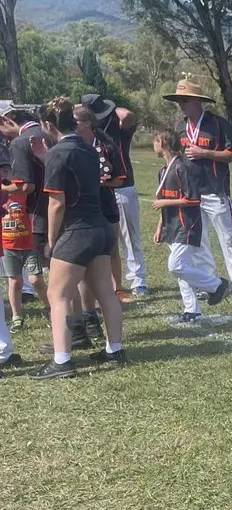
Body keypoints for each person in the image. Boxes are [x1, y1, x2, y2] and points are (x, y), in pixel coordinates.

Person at [29, 98, 126, 379]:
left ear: (48, 125)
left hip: (76, 230)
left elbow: (57, 202)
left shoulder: (58, 153)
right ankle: (115, 349)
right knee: (105, 292)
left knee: (57, 295)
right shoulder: (87, 148)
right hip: (100, 228)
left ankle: (62, 360)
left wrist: (50, 240)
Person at [164, 78, 232, 298]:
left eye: (184, 100)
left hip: (216, 190)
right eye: (178, 101)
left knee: (229, 238)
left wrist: (206, 154)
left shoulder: (218, 125)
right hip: (191, 194)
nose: (181, 104)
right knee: (199, 241)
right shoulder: (180, 128)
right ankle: (209, 282)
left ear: (197, 101)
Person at [151, 128, 232, 324]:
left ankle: (216, 285)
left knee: (175, 266)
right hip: (171, 225)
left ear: (164, 143)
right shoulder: (163, 170)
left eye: (155, 141)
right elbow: (163, 199)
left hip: (186, 224)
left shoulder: (183, 167)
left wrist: (165, 204)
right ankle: (191, 310)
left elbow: (193, 200)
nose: (153, 144)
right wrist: (159, 226)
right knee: (182, 268)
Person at [81, 93, 146, 297]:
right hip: (99, 190)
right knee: (107, 241)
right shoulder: (89, 131)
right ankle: (108, 281)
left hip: (122, 186)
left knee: (129, 237)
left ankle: (138, 280)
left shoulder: (118, 125)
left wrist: (109, 108)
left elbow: (128, 115)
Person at [74, 104, 123, 340]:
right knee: (84, 267)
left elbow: (120, 179)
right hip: (82, 211)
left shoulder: (106, 145)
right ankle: (89, 317)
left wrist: (102, 182)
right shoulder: (71, 145)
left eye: (75, 120)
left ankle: (113, 296)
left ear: (86, 123)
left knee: (107, 257)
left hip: (105, 208)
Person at [2, 143, 45, 333]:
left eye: (6, 169)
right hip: (8, 246)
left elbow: (27, 185)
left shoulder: (22, 192)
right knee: (15, 282)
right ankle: (17, 316)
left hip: (28, 244)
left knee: (36, 280)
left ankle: (50, 307)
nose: (4, 173)